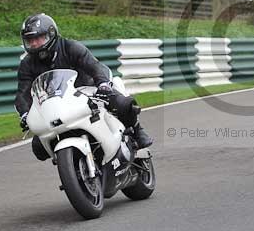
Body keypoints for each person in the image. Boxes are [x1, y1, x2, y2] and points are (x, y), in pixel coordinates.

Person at [14, 13, 153, 161]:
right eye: (30, 40)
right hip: (59, 102)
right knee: (38, 147)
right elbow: (23, 93)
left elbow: (93, 66)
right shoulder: (27, 64)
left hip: (89, 89)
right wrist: (25, 114)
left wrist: (103, 84)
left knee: (123, 104)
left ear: (51, 34)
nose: (34, 44)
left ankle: (137, 130)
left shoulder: (70, 47)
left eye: (38, 38)